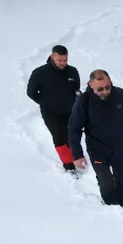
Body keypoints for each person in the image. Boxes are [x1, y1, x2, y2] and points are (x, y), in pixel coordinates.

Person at [67, 70, 123, 206]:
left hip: (119, 145)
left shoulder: (120, 95)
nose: (105, 91)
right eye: (100, 89)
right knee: (106, 182)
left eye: (108, 87)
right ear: (91, 85)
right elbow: (74, 128)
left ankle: (119, 202)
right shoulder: (84, 101)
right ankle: (111, 209)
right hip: (97, 148)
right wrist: (77, 155)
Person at [26, 44, 81, 174]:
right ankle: (69, 165)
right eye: (59, 60)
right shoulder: (40, 73)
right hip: (51, 112)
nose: (62, 63)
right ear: (52, 57)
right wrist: (45, 102)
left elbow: (76, 89)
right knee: (59, 135)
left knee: (71, 135)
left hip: (69, 111)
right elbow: (31, 92)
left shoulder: (72, 71)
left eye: (65, 60)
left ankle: (75, 157)